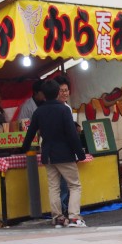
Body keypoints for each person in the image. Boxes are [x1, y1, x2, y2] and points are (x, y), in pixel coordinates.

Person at [21, 79, 87, 228]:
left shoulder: (39, 111)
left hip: (48, 154)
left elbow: (30, 133)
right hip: (64, 154)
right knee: (74, 185)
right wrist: (80, 154)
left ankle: (58, 218)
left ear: (43, 94)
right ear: (58, 93)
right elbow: (72, 134)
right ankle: (74, 217)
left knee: (54, 187)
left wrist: (23, 148)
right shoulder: (63, 110)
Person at [54, 75, 75, 216]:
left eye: (66, 90)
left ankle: (63, 211)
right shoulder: (53, 107)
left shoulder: (67, 107)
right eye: (62, 90)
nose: (65, 93)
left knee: (63, 184)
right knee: (62, 185)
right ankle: (63, 212)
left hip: (66, 150)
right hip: (60, 151)